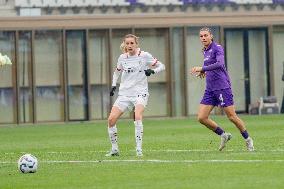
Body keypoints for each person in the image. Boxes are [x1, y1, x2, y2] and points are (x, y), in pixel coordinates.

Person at [190, 27, 254, 151]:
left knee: (231, 117)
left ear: (211, 36)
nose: (203, 38)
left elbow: (219, 64)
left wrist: (202, 68)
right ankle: (224, 135)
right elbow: (210, 66)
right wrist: (204, 71)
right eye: (201, 36)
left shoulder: (217, 48)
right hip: (210, 89)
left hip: (222, 87)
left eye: (205, 35)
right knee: (202, 118)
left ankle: (248, 139)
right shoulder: (205, 50)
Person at [106, 34, 165, 157]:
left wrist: (152, 71)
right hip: (124, 94)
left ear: (136, 44)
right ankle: (114, 149)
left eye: (132, 43)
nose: (129, 46)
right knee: (111, 120)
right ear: (124, 44)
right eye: (127, 43)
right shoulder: (122, 58)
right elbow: (116, 73)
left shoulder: (144, 56)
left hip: (140, 93)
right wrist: (113, 85)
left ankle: (138, 149)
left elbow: (162, 66)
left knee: (137, 115)